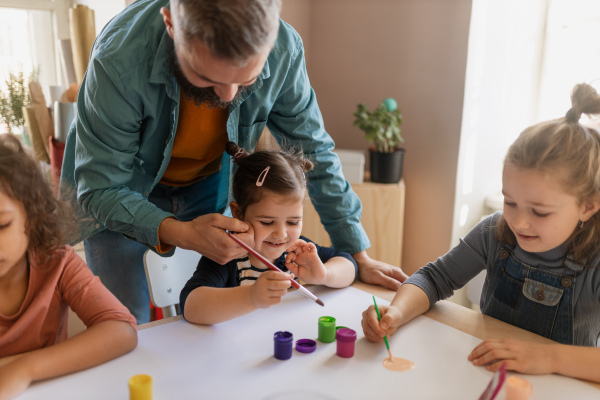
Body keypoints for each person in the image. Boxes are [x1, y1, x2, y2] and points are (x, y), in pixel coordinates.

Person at [59, 0, 407, 324]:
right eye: (207, 78)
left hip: (206, 182)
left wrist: (357, 255)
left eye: (247, 80)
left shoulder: (283, 52)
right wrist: (180, 232)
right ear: (171, 25)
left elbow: (315, 151)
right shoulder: (120, 58)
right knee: (125, 323)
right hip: (118, 192)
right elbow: (102, 187)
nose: (226, 96)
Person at [361, 83, 600, 383]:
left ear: (588, 207)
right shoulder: (494, 232)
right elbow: (434, 279)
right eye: (510, 202)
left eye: (539, 212)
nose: (520, 222)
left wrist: (548, 357)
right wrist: (396, 312)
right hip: (482, 379)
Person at [0, 134, 137, 400]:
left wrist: (23, 369)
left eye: (2, 225)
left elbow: (121, 330)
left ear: (31, 216)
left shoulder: (58, 264)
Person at [180, 142, 357, 324]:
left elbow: (349, 265)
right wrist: (251, 296)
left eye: (293, 222)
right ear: (238, 213)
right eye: (267, 222)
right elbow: (190, 306)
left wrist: (324, 274)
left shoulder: (296, 251)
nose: (281, 234)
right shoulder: (227, 254)